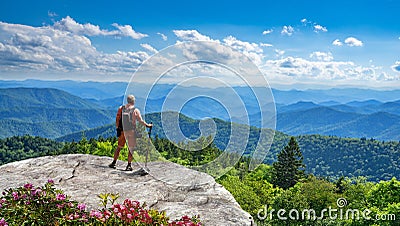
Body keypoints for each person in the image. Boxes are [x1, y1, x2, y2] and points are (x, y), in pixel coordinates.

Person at [109, 95, 152, 171]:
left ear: (127, 100)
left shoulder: (121, 108)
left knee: (119, 147)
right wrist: (148, 125)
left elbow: (117, 119)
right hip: (131, 132)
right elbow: (140, 121)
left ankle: (114, 162)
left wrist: (118, 128)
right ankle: (128, 165)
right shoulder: (135, 110)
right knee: (131, 149)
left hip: (123, 131)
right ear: (133, 101)